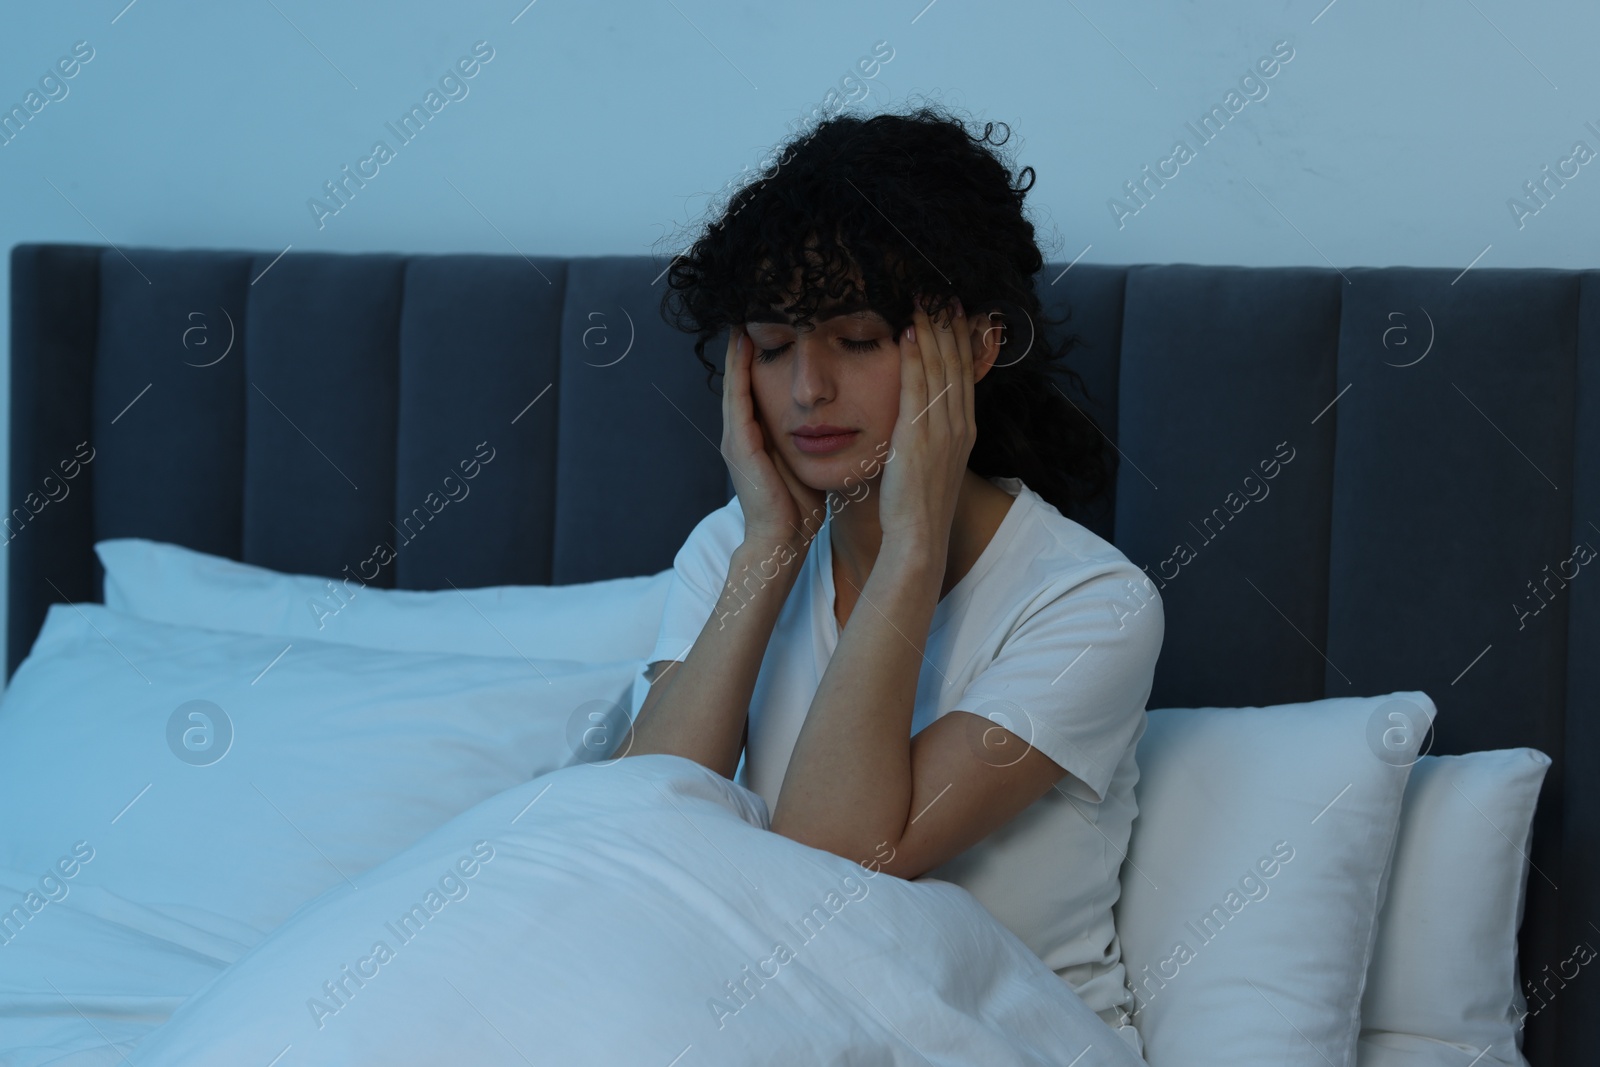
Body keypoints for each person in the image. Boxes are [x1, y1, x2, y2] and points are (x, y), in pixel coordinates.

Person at [613, 103, 1163, 1052]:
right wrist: (768, 553)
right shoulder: (734, 549)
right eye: (775, 346)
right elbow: (639, 823)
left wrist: (911, 545)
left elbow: (836, 860)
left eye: (856, 339)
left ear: (979, 348)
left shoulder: (1090, 603)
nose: (806, 390)